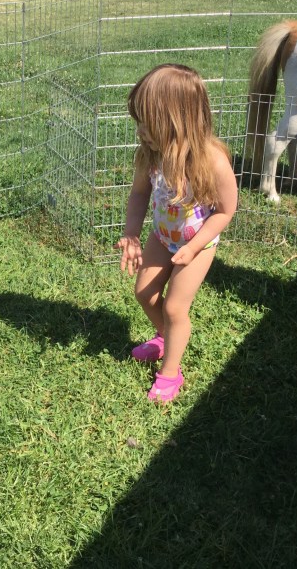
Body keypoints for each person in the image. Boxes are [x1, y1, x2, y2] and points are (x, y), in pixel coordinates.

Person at [114, 64, 238, 404]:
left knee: (174, 307)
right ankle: (165, 338)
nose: (140, 130)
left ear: (176, 120)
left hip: (197, 243)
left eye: (147, 122)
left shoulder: (212, 160)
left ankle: (170, 372)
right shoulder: (150, 155)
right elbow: (139, 194)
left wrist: (194, 247)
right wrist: (132, 234)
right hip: (162, 236)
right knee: (144, 293)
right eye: (138, 121)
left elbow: (225, 211)